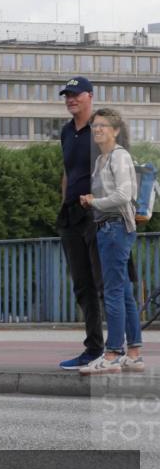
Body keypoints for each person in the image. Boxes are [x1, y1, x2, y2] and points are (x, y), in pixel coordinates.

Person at [77, 109, 145, 375]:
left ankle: (113, 354)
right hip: (107, 227)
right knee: (125, 292)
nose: (97, 130)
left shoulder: (119, 156)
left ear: (116, 131)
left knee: (114, 292)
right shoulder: (102, 160)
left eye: (103, 126)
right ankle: (135, 353)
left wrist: (94, 202)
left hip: (116, 227)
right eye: (95, 126)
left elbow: (124, 194)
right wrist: (92, 202)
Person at [57, 76, 106, 370]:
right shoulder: (65, 132)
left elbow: (117, 166)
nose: (70, 99)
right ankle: (93, 348)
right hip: (72, 214)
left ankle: (119, 349)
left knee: (106, 284)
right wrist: (64, 203)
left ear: (90, 95)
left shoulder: (101, 128)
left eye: (75, 94)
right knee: (82, 285)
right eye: (67, 95)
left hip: (97, 214)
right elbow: (67, 171)